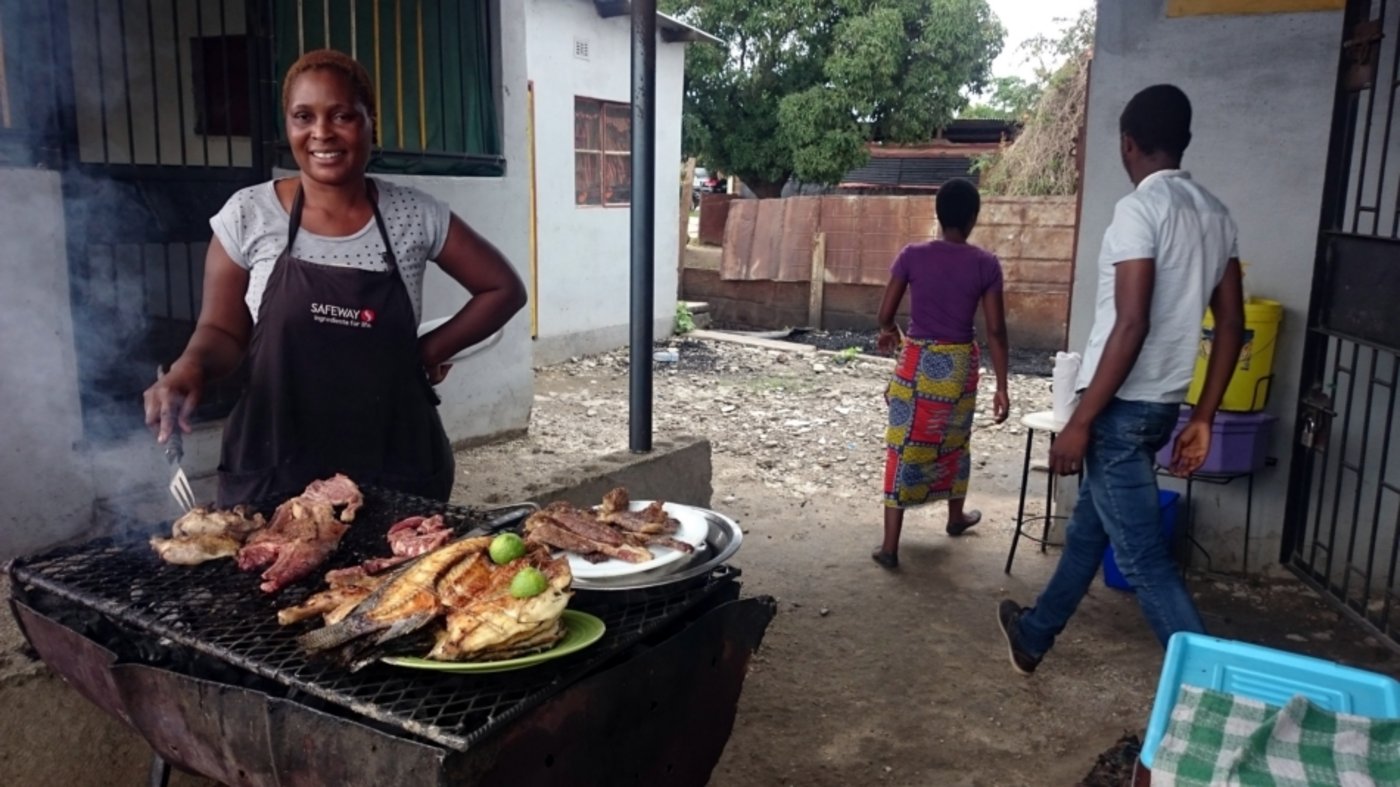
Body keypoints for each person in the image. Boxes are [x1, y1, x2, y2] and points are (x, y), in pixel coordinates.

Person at [143, 49, 526, 507]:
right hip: (275, 462)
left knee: (400, 579)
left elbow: (503, 289)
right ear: (288, 125)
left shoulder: (414, 215)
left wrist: (427, 352)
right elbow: (221, 331)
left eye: (342, 115)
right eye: (303, 116)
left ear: (370, 121)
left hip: (396, 465)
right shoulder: (249, 214)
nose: (321, 132)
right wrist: (190, 367)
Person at [997, 85, 1246, 675]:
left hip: (1117, 409)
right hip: (1161, 406)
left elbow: (1130, 324)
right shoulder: (1216, 214)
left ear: (1127, 144)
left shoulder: (1139, 211)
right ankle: (1033, 637)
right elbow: (1232, 325)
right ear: (1183, 143)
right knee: (1088, 533)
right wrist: (1204, 416)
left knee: (1145, 562)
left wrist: (1079, 422)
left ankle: (1218, 687)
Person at [872, 178, 1011, 569]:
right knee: (954, 441)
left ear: (938, 214)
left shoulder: (912, 255)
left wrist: (891, 334)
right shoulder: (986, 264)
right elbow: (997, 330)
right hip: (958, 369)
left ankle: (890, 546)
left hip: (917, 364)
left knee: (902, 447)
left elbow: (884, 316)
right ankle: (954, 517)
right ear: (972, 218)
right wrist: (1002, 386)